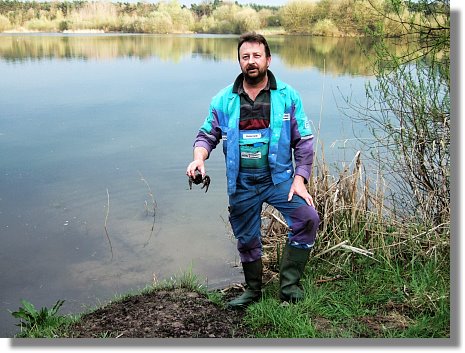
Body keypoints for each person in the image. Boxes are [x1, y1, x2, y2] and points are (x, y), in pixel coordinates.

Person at [186, 32, 320, 308]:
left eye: (256, 56)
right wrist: (199, 158)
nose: (251, 61)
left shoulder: (288, 96)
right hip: (242, 182)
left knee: (307, 219)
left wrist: (301, 178)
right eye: (245, 57)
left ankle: (290, 288)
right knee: (247, 238)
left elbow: (304, 141)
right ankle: (253, 291)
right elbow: (206, 134)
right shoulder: (223, 100)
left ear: (268, 60)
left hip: (280, 178)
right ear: (239, 62)